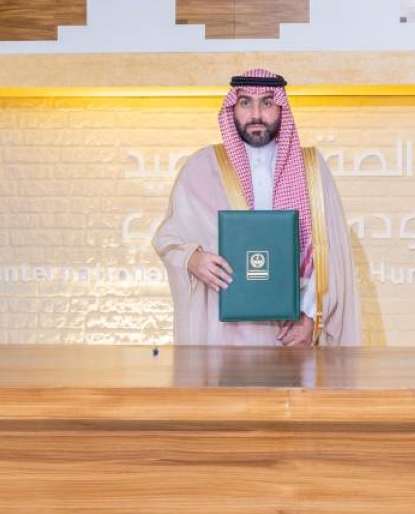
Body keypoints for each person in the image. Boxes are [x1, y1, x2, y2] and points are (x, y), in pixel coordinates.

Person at [154, 69, 361, 346]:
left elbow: (329, 253)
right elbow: (168, 240)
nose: (256, 114)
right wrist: (192, 259)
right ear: (232, 108)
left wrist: (310, 317)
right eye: (245, 103)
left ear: (281, 107)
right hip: (221, 333)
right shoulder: (201, 167)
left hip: (289, 332)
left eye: (266, 102)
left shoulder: (311, 168)